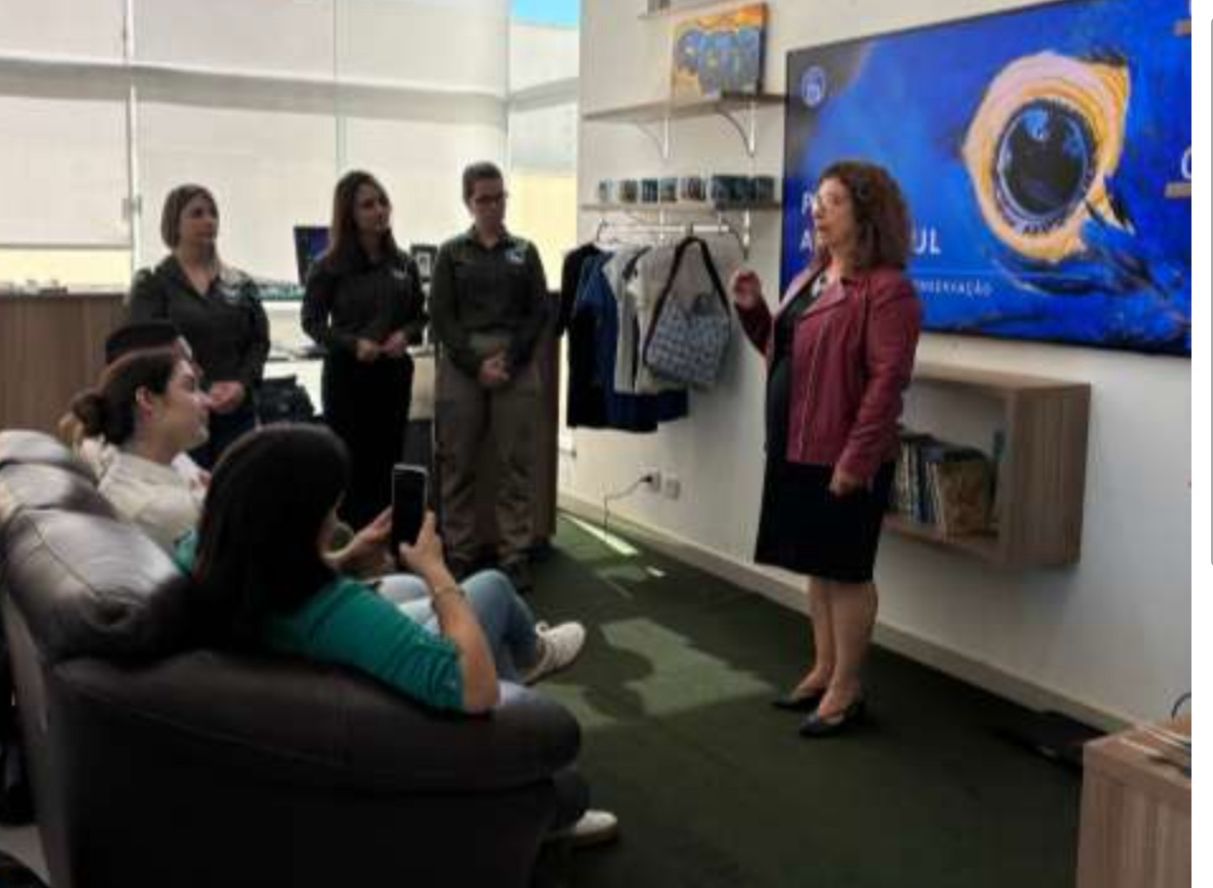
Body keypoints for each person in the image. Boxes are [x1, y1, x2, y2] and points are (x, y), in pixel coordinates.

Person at [180, 425, 616, 841]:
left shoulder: (205, 557)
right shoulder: (334, 613)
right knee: (490, 587)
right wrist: (436, 570)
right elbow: (476, 691)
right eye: (330, 510)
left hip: (326, 681)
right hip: (393, 717)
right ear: (294, 525)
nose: (336, 520)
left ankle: (524, 670)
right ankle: (525, 747)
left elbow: (275, 572)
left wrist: (346, 557)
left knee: (411, 588)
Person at [730, 160, 921, 738]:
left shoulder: (888, 291)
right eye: (819, 199)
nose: (818, 209)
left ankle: (846, 688)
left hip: (843, 456)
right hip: (796, 445)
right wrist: (754, 311)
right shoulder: (812, 274)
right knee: (817, 566)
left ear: (866, 214)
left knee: (846, 570)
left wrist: (855, 461)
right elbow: (785, 351)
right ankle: (823, 669)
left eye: (833, 201)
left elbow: (887, 384)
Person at [430, 161, 549, 591]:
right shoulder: (451, 253)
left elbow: (538, 312)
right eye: (484, 199)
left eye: (500, 197)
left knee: (515, 464)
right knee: (457, 463)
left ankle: (514, 554)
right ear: (468, 202)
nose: (494, 206)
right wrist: (475, 365)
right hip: (463, 362)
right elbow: (440, 316)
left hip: (515, 360)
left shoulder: (525, 251)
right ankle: (460, 553)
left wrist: (510, 362)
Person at [302, 171, 427, 529]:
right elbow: (311, 322)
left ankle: (384, 543)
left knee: (388, 461)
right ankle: (350, 544)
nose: (379, 211)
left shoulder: (403, 263)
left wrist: (405, 335)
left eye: (382, 202)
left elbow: (420, 316)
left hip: (393, 375)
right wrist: (353, 344)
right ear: (349, 214)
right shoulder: (328, 265)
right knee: (349, 466)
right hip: (348, 376)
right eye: (368, 205)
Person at [127, 184, 270, 469]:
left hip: (236, 411)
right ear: (174, 223)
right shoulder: (153, 282)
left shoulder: (240, 283)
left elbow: (259, 342)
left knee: (236, 489)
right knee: (190, 490)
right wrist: (201, 389)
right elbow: (151, 345)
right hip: (180, 413)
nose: (209, 220)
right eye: (197, 214)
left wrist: (241, 385)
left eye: (213, 213)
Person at [68, 347, 212, 552]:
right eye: (190, 387)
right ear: (147, 400)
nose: (207, 401)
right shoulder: (155, 508)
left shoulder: (165, 462)